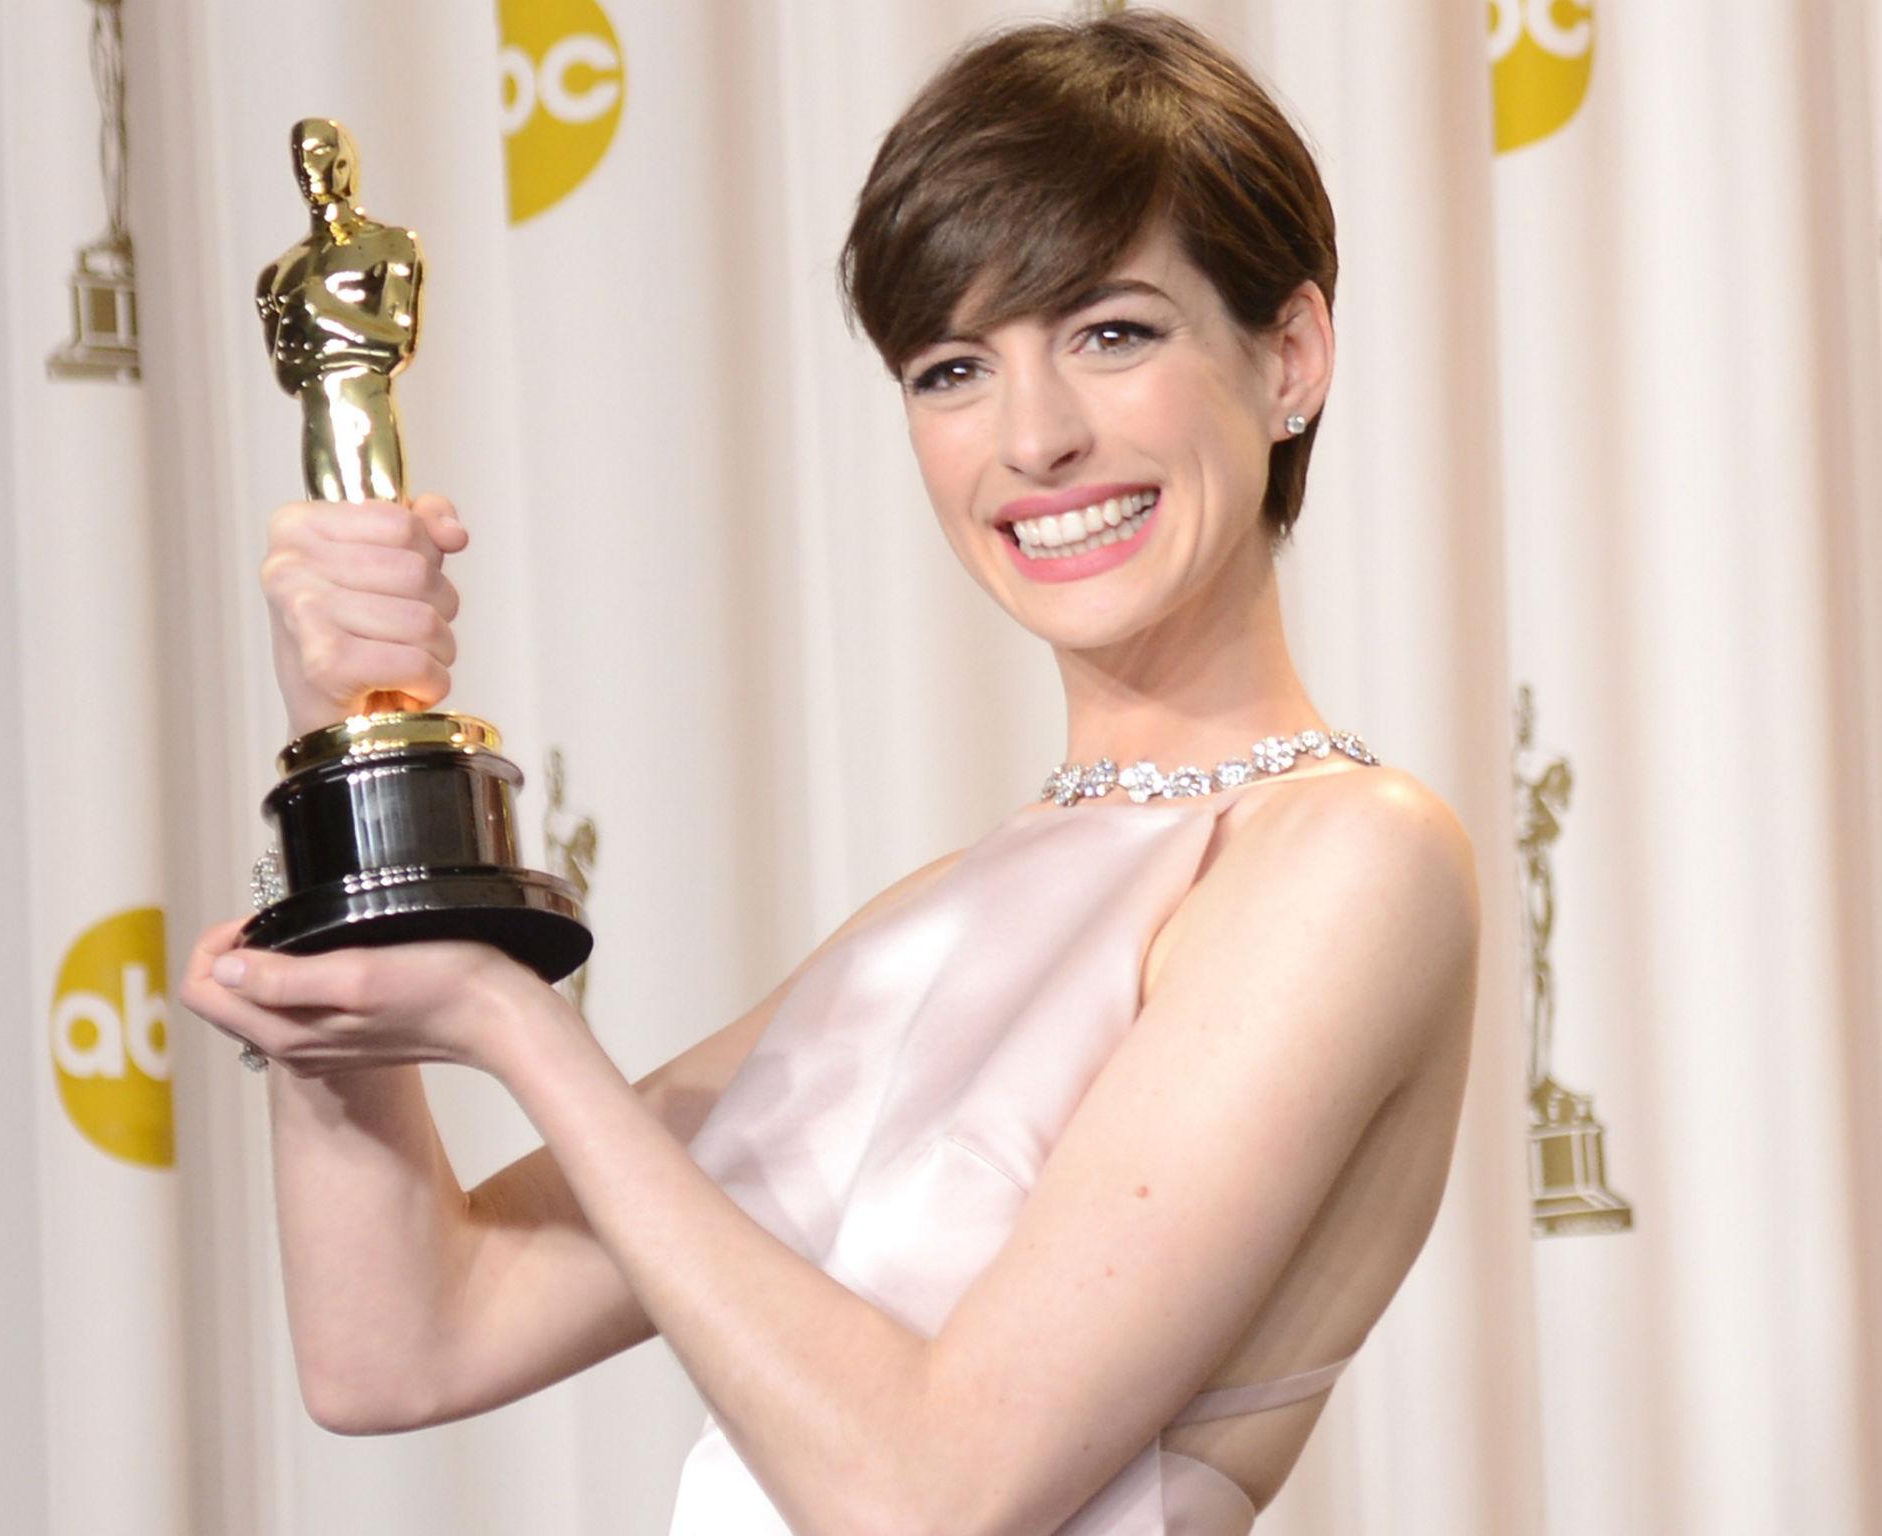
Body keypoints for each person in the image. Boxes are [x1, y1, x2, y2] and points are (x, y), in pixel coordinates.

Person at [181, 11, 1480, 1533]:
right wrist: (343, 782)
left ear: (1291, 358)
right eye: (951, 368)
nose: (1036, 436)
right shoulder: (942, 916)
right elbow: (401, 1344)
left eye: (1111, 331)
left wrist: (507, 1021)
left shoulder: (1349, 858)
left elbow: (935, 1496)